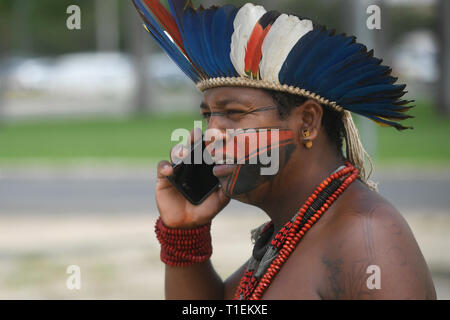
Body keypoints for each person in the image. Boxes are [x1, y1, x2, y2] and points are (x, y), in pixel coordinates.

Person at [133, 0, 437, 299]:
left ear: (307, 120)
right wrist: (185, 233)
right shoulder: (292, 231)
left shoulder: (367, 238)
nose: (211, 134)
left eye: (235, 113)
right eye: (208, 115)